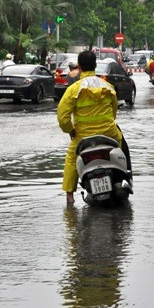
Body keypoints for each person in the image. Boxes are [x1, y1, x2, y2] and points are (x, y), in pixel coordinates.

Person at [57, 50, 131, 205]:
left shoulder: (74, 89)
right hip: (109, 133)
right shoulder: (108, 86)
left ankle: (69, 198)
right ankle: (127, 178)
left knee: (71, 160)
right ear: (95, 66)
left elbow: (62, 116)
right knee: (123, 148)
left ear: (80, 67)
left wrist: (70, 130)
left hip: (82, 137)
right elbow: (113, 112)